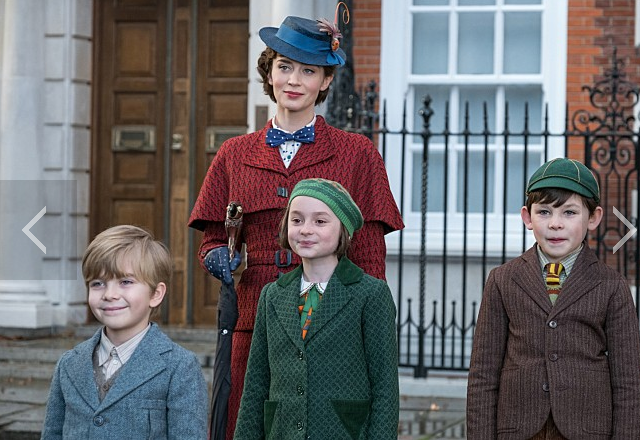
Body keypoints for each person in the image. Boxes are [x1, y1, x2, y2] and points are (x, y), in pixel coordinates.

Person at [187, 12, 404, 439]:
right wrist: (216, 258)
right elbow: (213, 238)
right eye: (285, 66)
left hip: (332, 327)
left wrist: (361, 322)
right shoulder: (234, 153)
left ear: (325, 81)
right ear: (269, 72)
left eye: (308, 70)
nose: (294, 80)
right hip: (253, 320)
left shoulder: (357, 153)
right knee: (246, 423)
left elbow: (369, 258)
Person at [466, 158, 640, 439]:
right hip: (518, 430)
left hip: (588, 431)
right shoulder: (502, 280)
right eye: (544, 212)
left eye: (569, 212)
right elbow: (483, 375)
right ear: (527, 217)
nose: (555, 224)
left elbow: (630, 383)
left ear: (593, 218)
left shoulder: (612, 285)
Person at [233, 178, 399, 439]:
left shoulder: (370, 294)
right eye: (297, 220)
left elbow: (385, 386)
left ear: (343, 229)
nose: (306, 230)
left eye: (320, 221)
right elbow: (256, 383)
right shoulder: (272, 295)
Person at [41, 225, 208, 440]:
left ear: (156, 294)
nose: (110, 294)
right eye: (98, 283)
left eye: (126, 282)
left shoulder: (180, 367)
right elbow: (52, 433)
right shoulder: (69, 364)